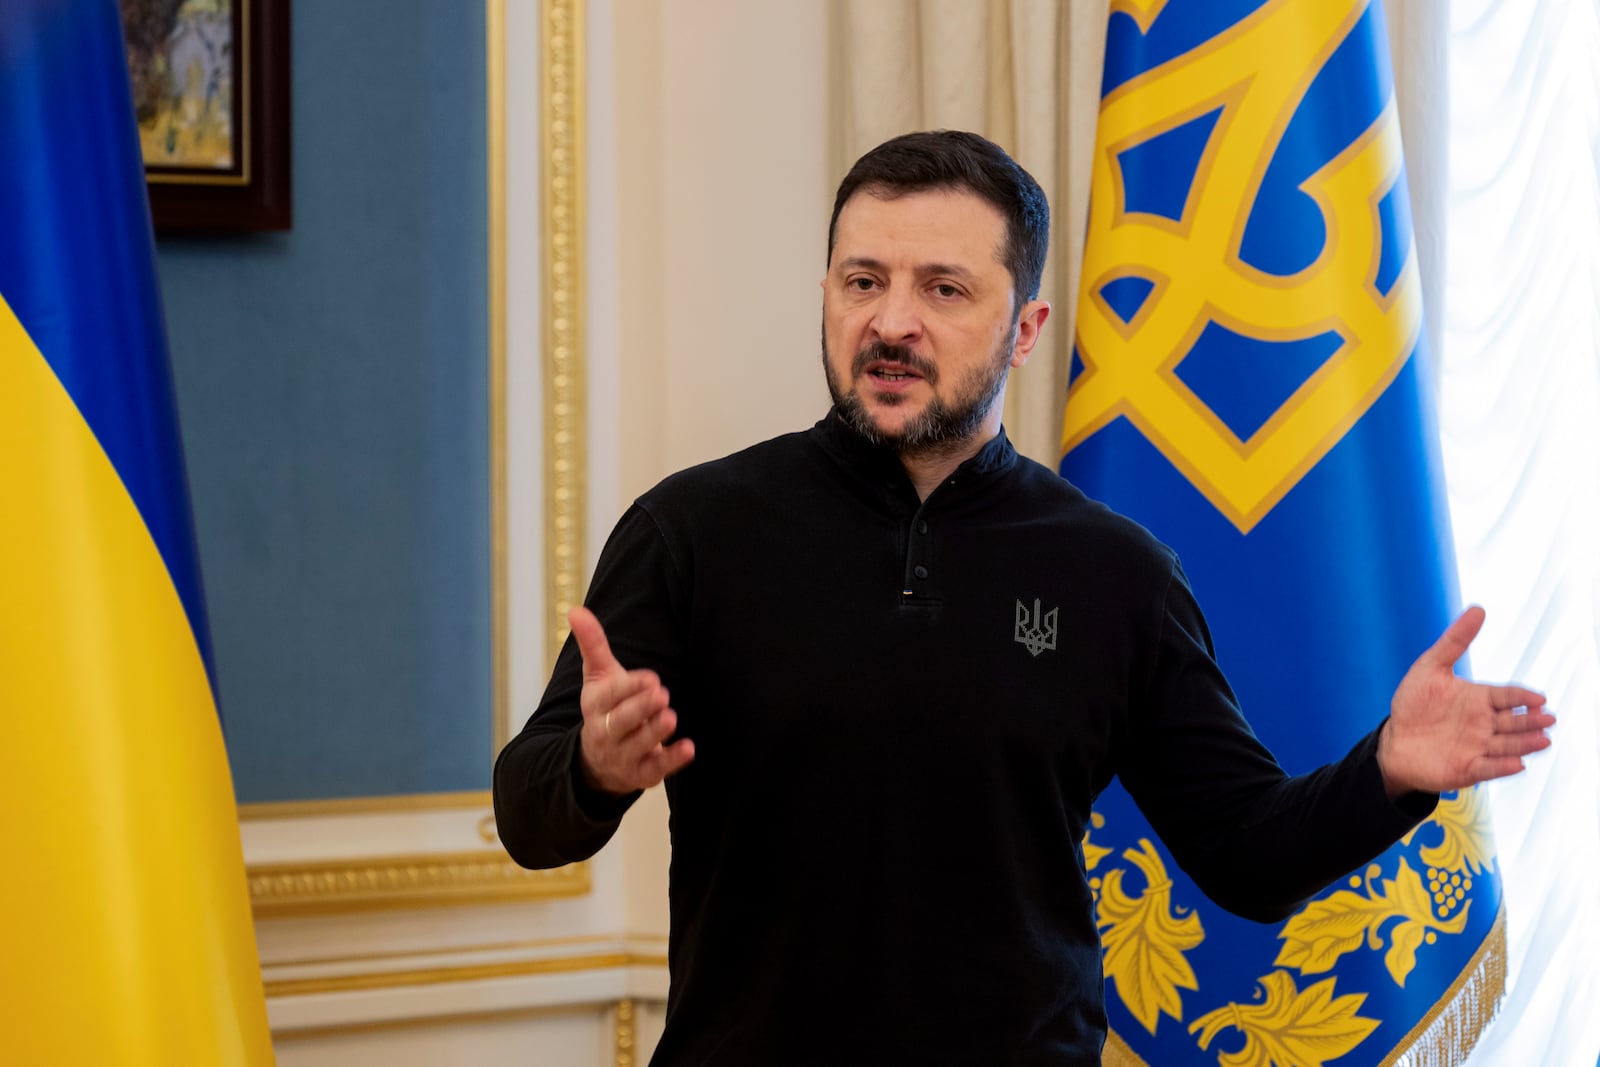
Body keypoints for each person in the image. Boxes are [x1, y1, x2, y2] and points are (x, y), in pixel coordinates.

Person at [492, 130, 1553, 1065]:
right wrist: (589, 765)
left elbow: (1244, 852)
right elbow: (528, 816)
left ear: (1027, 325)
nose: (891, 322)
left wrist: (1385, 772)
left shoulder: (1115, 570)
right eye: (862, 281)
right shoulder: (691, 530)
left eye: (943, 289)